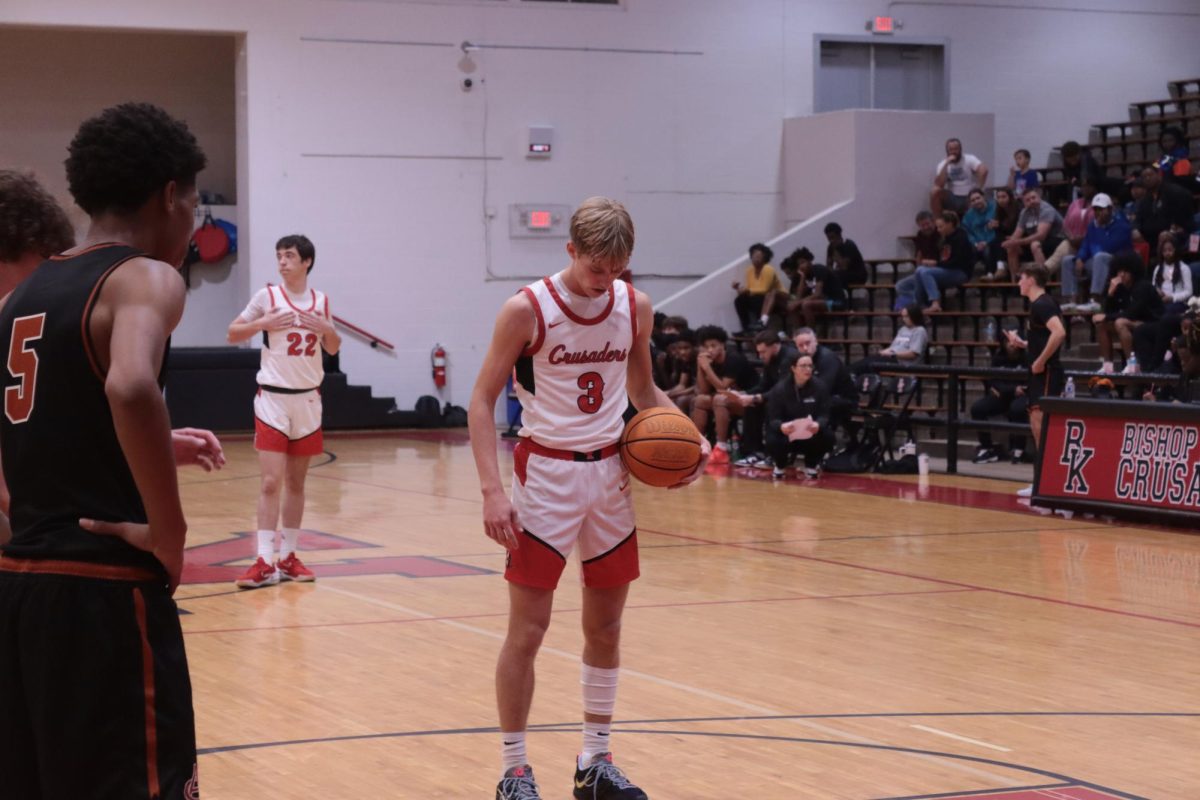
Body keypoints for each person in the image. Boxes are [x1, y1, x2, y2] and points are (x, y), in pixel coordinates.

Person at [0, 102, 211, 799]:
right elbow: (128, 384)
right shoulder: (144, 277)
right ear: (170, 194)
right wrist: (170, 532)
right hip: (106, 593)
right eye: (197, 201)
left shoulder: (22, 296)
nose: (196, 220)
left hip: (22, 588)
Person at [467, 196, 709, 800]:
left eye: (617, 269)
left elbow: (645, 389)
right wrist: (492, 492)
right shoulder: (527, 309)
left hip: (611, 477)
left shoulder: (634, 306)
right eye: (596, 268)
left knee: (606, 626)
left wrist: (694, 441)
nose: (606, 281)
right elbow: (480, 401)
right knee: (529, 629)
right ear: (570, 251)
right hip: (545, 476)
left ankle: (594, 763)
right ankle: (513, 771)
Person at [228, 234, 341, 589]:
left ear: (306, 261)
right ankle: (263, 560)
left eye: (289, 256)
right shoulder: (268, 297)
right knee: (270, 482)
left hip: (308, 400)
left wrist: (327, 329)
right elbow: (233, 332)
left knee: (296, 483)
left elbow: (333, 348)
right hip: (273, 399)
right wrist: (261, 324)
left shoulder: (320, 301)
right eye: (279, 256)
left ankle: (289, 557)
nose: (282, 262)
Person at [1005, 265, 1066, 497]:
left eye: (1021, 278)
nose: (1019, 282)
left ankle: (1048, 483)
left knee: (1043, 430)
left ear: (1030, 280)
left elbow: (1059, 333)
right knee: (1037, 429)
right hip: (1039, 372)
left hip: (1047, 372)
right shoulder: (1040, 305)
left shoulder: (1043, 304)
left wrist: (1040, 361)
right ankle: (1040, 481)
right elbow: (1046, 338)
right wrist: (1024, 345)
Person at [690, 324, 759, 465]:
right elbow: (703, 390)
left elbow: (722, 388)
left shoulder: (734, 359)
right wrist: (700, 366)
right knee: (700, 400)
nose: (710, 350)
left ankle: (721, 448)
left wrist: (707, 368)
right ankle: (697, 444)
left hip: (751, 402)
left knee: (719, 398)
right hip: (729, 401)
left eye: (713, 345)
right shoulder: (709, 361)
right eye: (706, 347)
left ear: (722, 344)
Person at [729, 329, 798, 468]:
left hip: (796, 399)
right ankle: (755, 452)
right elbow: (763, 385)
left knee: (769, 406)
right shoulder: (770, 359)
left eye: (763, 352)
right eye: (758, 352)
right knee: (750, 405)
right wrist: (745, 394)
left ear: (774, 347)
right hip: (778, 397)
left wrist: (756, 397)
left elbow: (783, 390)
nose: (760, 356)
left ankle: (773, 454)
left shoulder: (789, 358)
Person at [1090, 252, 1163, 374]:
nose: (1122, 275)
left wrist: (1107, 316)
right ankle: (1107, 365)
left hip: (1152, 323)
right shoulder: (1119, 288)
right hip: (1134, 322)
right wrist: (1110, 294)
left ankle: (1132, 364)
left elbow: (1132, 313)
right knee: (1101, 324)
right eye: (1119, 271)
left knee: (1120, 322)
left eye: (1125, 271)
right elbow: (1108, 312)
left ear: (1133, 271)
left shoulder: (1143, 287)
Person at [765, 353, 834, 481]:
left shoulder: (820, 387)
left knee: (828, 435)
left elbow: (825, 414)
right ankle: (780, 465)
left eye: (810, 366)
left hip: (809, 432)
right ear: (793, 368)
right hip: (788, 432)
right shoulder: (780, 389)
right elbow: (773, 418)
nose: (808, 369)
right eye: (803, 366)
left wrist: (818, 424)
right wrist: (781, 426)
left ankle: (811, 465)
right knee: (772, 437)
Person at [1060, 193, 1132, 313]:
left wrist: (1100, 227)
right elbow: (1086, 245)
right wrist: (1080, 258)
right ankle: (1070, 300)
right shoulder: (1092, 226)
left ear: (1110, 209)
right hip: (1095, 262)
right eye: (1096, 210)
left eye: (1101, 209)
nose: (1098, 213)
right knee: (1068, 260)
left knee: (1100, 256)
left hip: (1116, 263)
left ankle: (1095, 300)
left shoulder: (1121, 225)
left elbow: (1109, 247)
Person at [895, 211, 974, 313]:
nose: (938, 230)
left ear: (949, 224)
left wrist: (935, 264)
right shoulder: (944, 238)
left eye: (940, 227)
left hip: (958, 272)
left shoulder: (960, 237)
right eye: (938, 227)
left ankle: (934, 302)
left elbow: (955, 261)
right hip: (942, 269)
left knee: (924, 272)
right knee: (902, 284)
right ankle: (920, 308)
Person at [970, 337, 1029, 465]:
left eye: (1014, 341)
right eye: (1008, 341)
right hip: (1002, 395)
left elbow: (1028, 382)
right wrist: (1012, 389)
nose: (1011, 344)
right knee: (977, 408)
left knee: (1017, 408)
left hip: (1022, 396)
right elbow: (994, 381)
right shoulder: (998, 357)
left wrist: (1015, 389)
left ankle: (1019, 449)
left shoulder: (1027, 357)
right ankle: (987, 448)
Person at [849, 303, 928, 376]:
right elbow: (893, 347)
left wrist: (893, 355)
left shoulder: (919, 331)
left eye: (907, 316)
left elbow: (913, 354)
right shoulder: (903, 329)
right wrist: (884, 352)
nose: (904, 319)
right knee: (866, 360)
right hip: (892, 357)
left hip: (902, 363)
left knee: (870, 364)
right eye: (903, 316)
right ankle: (848, 372)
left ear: (914, 316)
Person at [1000, 187, 1064, 278]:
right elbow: (1017, 233)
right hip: (1037, 241)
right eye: (1027, 200)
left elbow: (1041, 235)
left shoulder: (1046, 209)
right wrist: (1011, 241)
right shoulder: (1024, 212)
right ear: (1023, 203)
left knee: (1035, 245)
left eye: (1033, 198)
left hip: (1057, 240)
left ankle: (1043, 280)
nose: (1031, 201)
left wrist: (1017, 241)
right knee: (1011, 248)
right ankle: (1016, 283)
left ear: (1039, 197)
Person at [931, 137, 988, 216]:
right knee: (935, 191)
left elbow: (984, 170)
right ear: (947, 151)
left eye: (956, 149)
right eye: (951, 149)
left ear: (960, 149)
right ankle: (939, 222)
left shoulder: (969, 159)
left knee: (976, 199)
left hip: (969, 196)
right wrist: (947, 163)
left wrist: (979, 189)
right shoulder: (943, 164)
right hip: (953, 197)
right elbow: (939, 184)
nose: (953, 152)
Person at [731, 242, 781, 333]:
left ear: (765, 258)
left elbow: (764, 289)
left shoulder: (768, 269)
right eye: (754, 256)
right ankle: (746, 329)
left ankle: (762, 326)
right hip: (758, 297)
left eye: (759, 257)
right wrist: (738, 289)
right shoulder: (750, 270)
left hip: (774, 298)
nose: (756, 259)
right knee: (739, 300)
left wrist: (747, 290)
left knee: (758, 300)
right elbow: (751, 288)